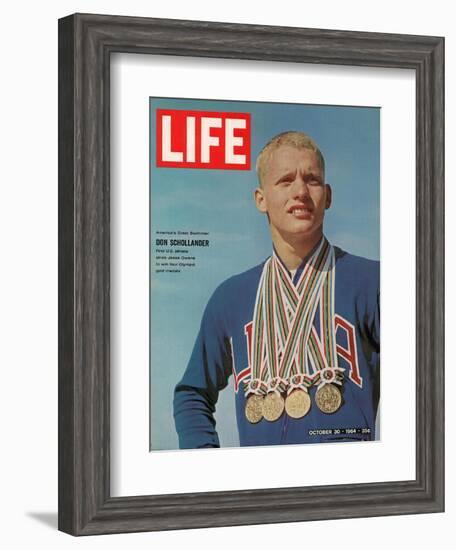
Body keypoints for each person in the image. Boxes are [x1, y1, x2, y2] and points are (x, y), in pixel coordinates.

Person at [173, 131, 380, 448]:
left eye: (311, 179)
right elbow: (192, 393)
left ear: (328, 194)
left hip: (346, 488)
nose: (300, 191)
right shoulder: (230, 298)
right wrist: (205, 467)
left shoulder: (372, 281)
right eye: (285, 180)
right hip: (263, 490)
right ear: (261, 199)